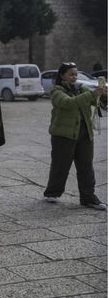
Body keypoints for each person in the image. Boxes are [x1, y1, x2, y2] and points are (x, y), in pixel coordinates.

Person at [43, 62, 107, 210]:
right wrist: (91, 94)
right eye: (71, 74)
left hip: (85, 134)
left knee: (86, 167)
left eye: (76, 74)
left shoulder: (81, 89)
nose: (74, 77)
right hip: (63, 135)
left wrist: (103, 96)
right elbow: (67, 103)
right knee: (60, 166)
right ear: (62, 75)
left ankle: (88, 197)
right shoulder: (56, 91)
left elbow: (96, 103)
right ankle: (53, 192)